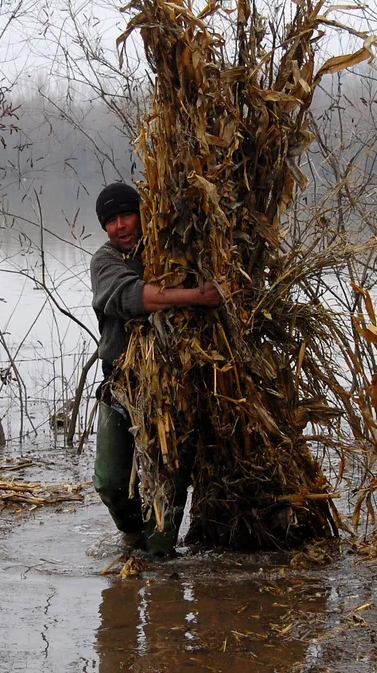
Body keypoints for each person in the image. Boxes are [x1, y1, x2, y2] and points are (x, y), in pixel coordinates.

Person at [89, 181, 222, 557]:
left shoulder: (168, 253)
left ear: (142, 215)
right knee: (110, 482)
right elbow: (135, 297)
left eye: (126, 215)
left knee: (169, 482)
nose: (120, 226)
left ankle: (160, 558)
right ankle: (133, 542)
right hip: (121, 383)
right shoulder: (105, 261)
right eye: (111, 221)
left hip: (174, 385)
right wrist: (198, 297)